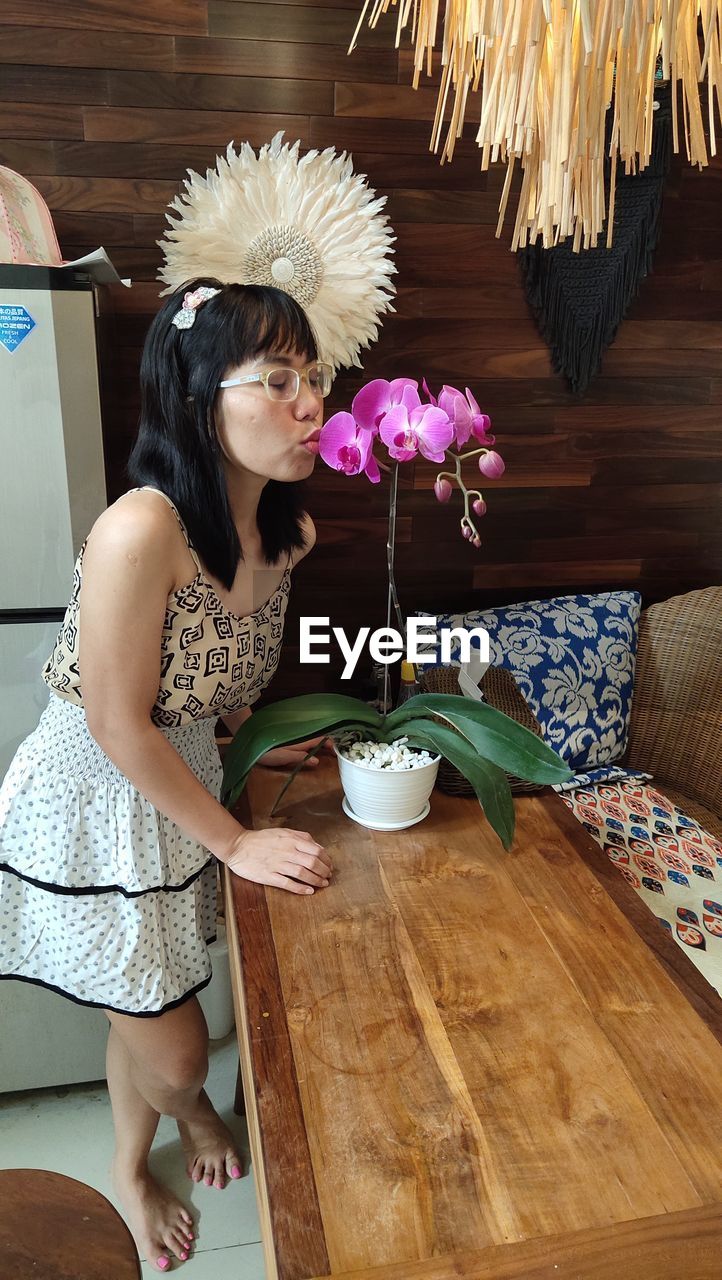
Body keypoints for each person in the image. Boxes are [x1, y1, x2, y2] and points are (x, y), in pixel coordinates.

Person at [0, 278, 335, 1272]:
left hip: (179, 771)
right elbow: (113, 716)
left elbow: (211, 680)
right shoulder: (142, 529)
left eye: (313, 376)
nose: (310, 400)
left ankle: (125, 1154)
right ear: (197, 396)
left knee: (143, 994)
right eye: (277, 380)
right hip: (94, 792)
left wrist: (250, 740)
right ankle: (173, 1129)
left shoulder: (288, 535)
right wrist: (232, 835)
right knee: (178, 1043)